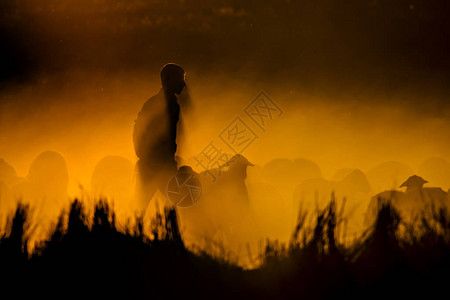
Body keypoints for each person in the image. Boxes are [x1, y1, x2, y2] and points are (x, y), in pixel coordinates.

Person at [133, 63, 186, 211]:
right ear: (169, 80)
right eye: (180, 79)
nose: (183, 84)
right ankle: (173, 233)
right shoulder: (169, 106)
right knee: (174, 203)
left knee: (141, 206)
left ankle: (132, 230)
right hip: (160, 165)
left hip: (150, 164)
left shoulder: (153, 103)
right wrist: (166, 160)